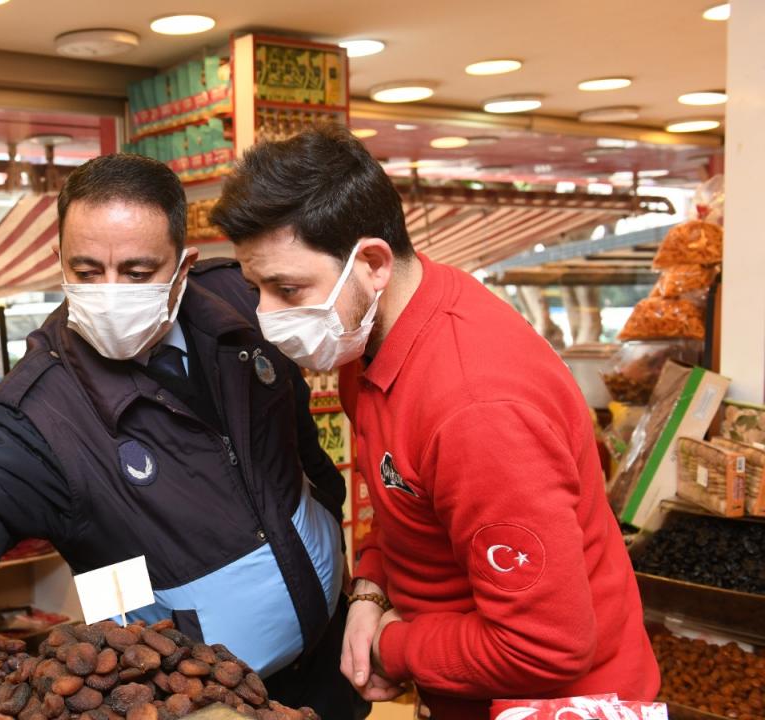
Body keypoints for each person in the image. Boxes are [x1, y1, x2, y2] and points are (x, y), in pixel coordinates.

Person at [0, 154, 362, 718]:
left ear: (183, 268)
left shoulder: (245, 305)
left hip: (332, 659)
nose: (111, 291)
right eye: (87, 272)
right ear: (58, 261)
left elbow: (298, 436)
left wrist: (333, 543)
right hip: (200, 702)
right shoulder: (37, 409)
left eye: (137, 273)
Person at [209, 124, 660, 718]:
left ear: (371, 262)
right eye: (256, 288)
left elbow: (548, 646)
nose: (267, 316)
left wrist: (395, 646)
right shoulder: (370, 337)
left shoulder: (477, 408)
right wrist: (371, 588)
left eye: (288, 289)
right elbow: (406, 506)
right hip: (471, 686)